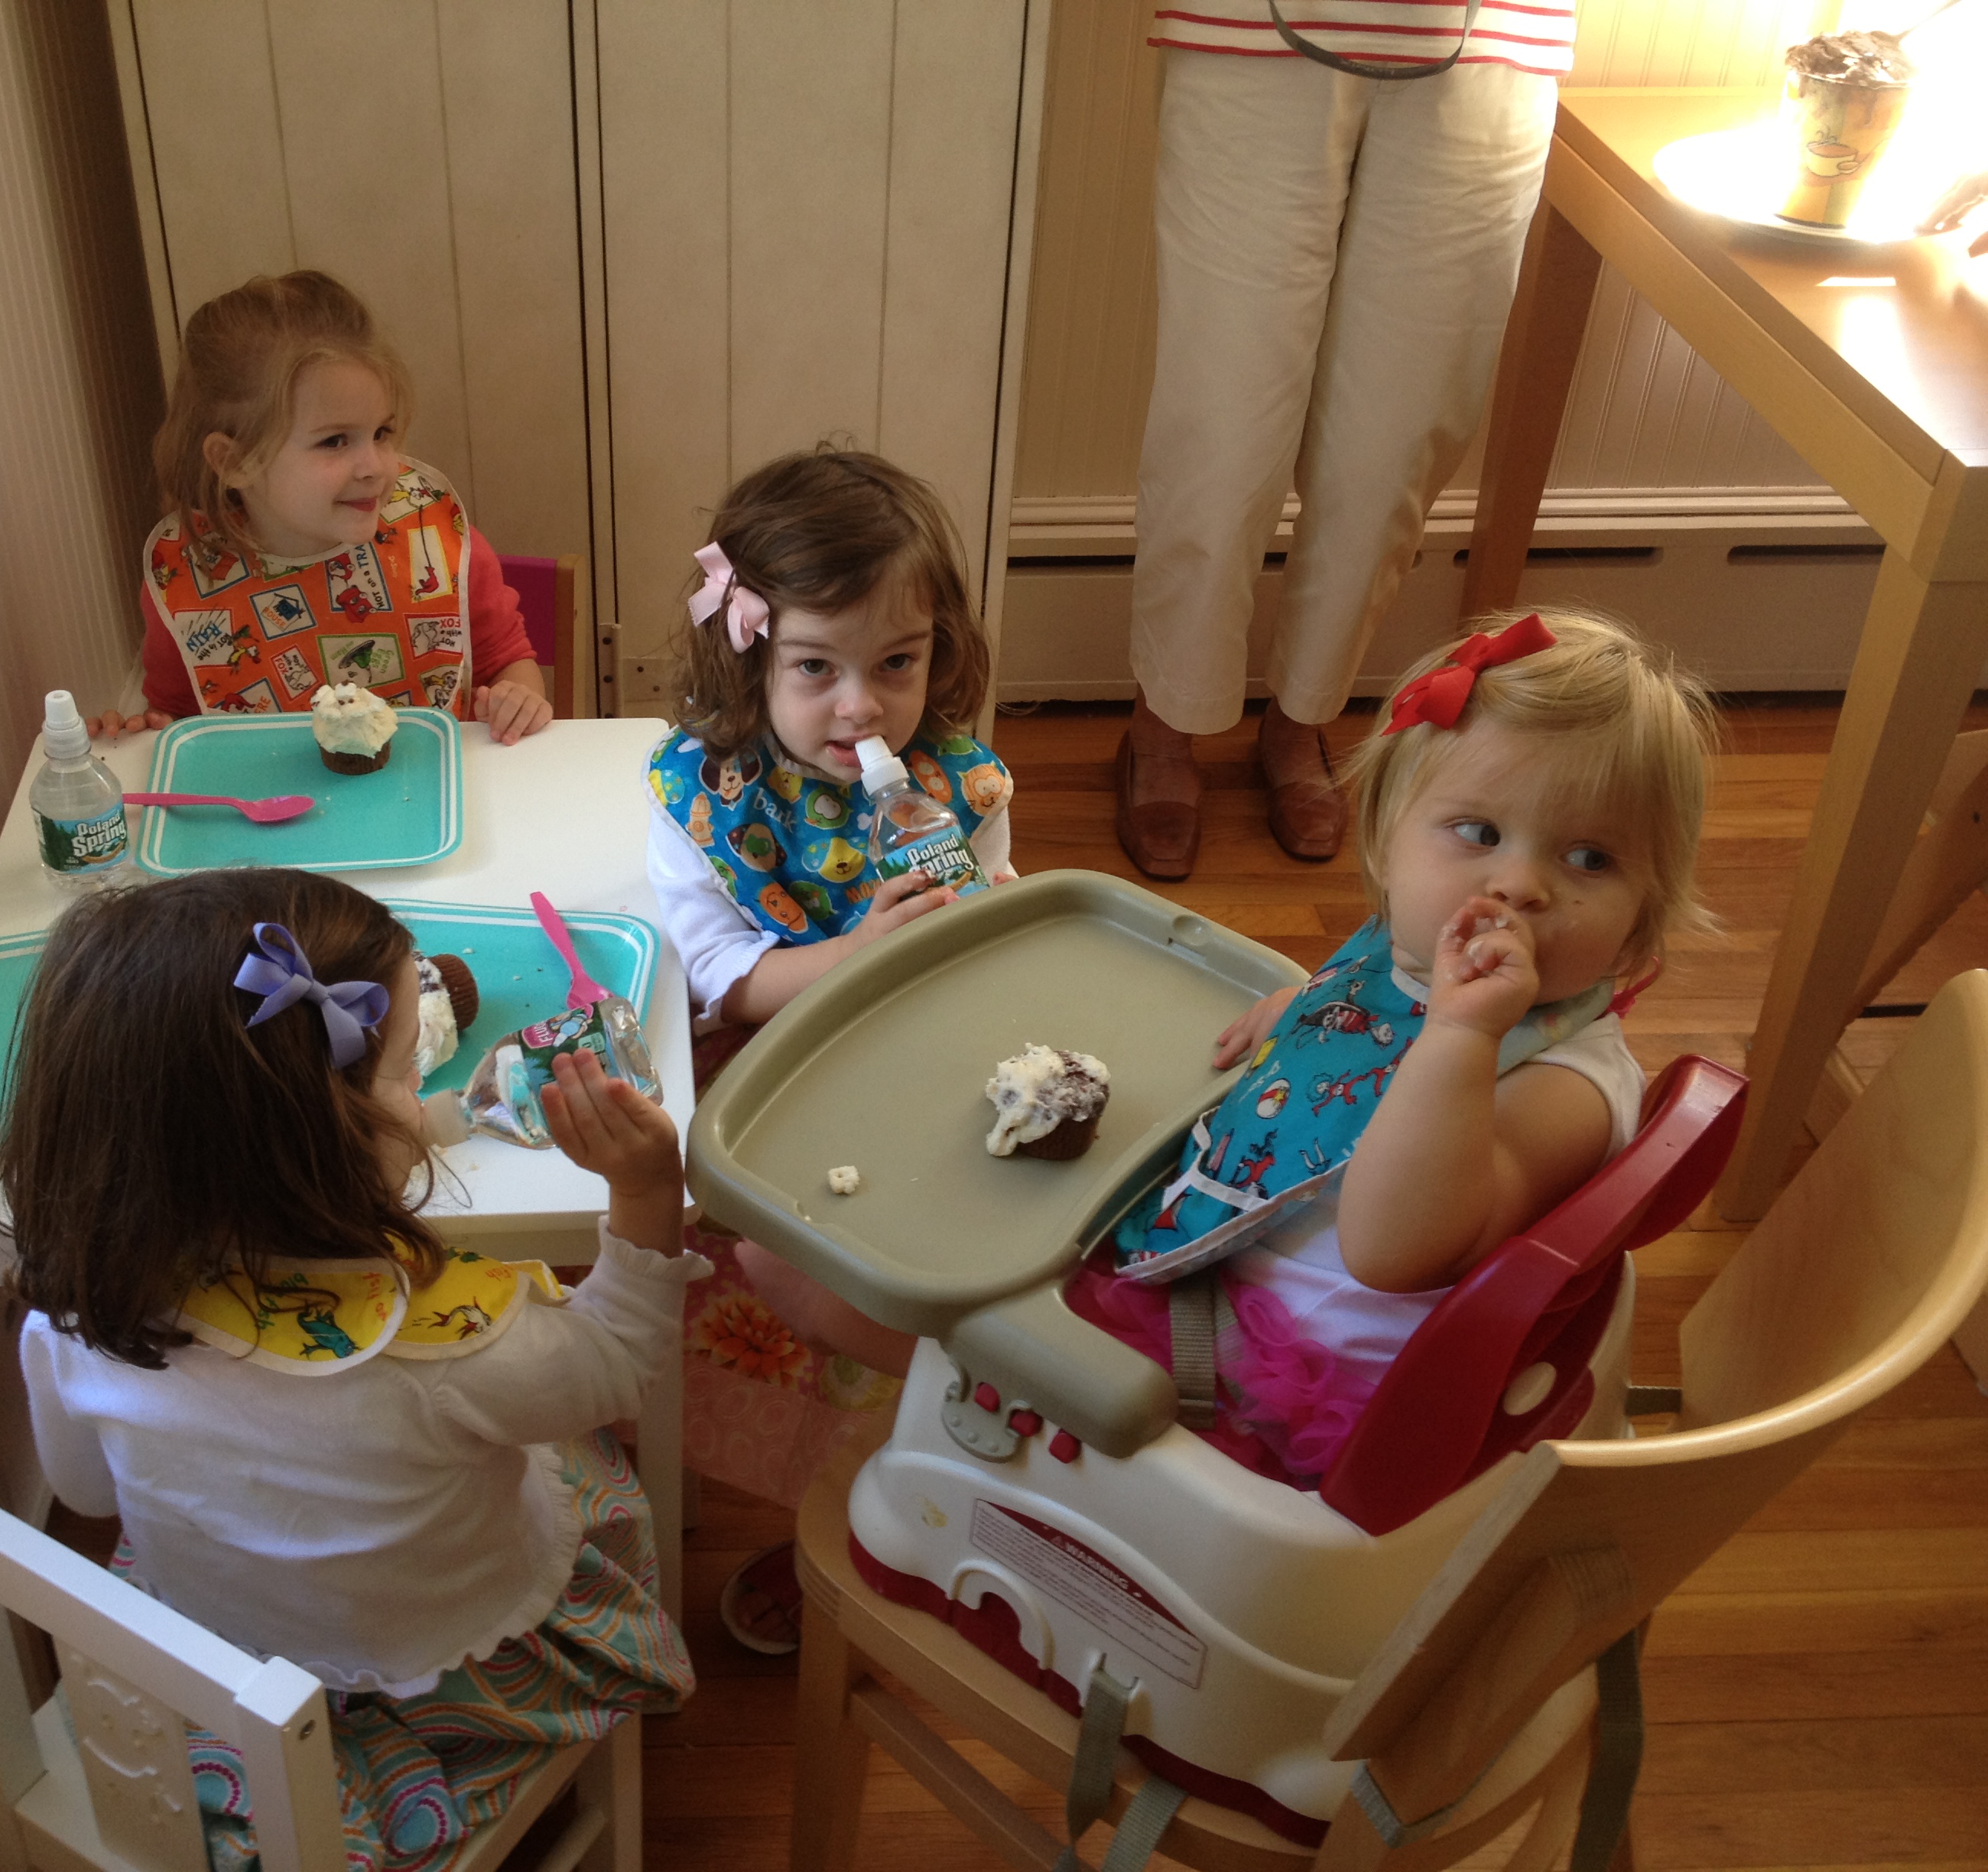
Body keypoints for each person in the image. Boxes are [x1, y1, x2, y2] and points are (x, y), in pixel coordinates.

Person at [0, 869, 697, 1867]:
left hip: (214, 1657)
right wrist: (645, 1191)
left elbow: (85, 1493)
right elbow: (619, 1360)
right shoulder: (447, 1346)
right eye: (407, 1074)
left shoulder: (77, 1319)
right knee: (585, 1467)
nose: (431, 1100)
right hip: (454, 1663)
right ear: (312, 1140)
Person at [1099, 610, 1714, 1485]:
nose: (1519, 884)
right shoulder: (1413, 952)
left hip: (1275, 1377)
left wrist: (1462, 1036)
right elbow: (1374, 1023)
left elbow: (1395, 1250)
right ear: (1386, 840)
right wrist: (1309, 1010)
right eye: (1480, 833)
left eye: (1588, 858)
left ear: (1642, 920)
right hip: (1228, 1264)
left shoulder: (1565, 1091)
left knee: (997, 1310)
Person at [644, 446, 1015, 1653]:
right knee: (756, 1269)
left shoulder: (960, 785)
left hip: (922, 1059)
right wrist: (857, 953)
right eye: (816, 669)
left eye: (896, 665)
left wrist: (985, 911)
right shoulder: (702, 794)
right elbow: (722, 973)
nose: (861, 709)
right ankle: (794, 1482)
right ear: (747, 656)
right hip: (761, 1066)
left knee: (942, 1260)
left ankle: (900, 1487)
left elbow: (994, 910)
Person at [1118, 3, 1576, 879]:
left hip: (1490, 45)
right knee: (1221, 433)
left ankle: (1302, 719)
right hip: (1253, 31)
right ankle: (1164, 723)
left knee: (1391, 449)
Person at [118, 271, 554, 745]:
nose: (375, 467)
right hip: (277, 793)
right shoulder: (189, 576)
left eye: (381, 433)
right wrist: (134, 735)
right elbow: (178, 716)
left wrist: (517, 699)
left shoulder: (431, 536)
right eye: (334, 441)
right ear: (235, 461)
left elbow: (505, 659)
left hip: (438, 780)